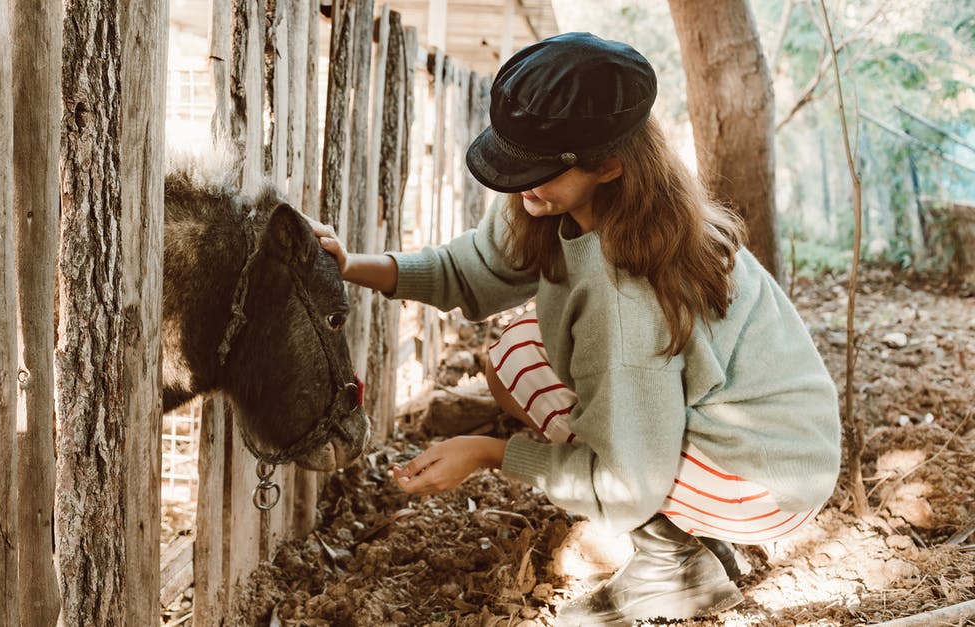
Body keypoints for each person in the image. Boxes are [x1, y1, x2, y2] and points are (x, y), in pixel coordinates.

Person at [311, 32, 841, 625]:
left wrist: (491, 454)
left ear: (610, 165)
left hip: (762, 478)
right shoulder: (557, 199)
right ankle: (688, 537)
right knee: (515, 352)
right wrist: (352, 266)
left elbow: (628, 481)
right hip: (750, 437)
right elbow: (474, 270)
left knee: (583, 408)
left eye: (536, 170)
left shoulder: (626, 291)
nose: (520, 182)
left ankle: (673, 568)